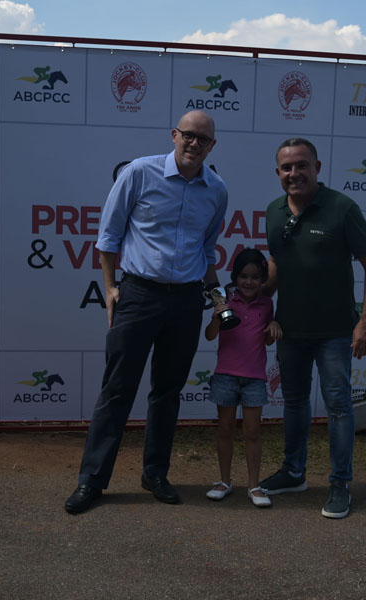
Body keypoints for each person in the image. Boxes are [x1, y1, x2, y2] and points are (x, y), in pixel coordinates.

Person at [65, 110, 228, 515]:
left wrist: (218, 299)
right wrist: (110, 288)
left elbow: (207, 253)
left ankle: (155, 474)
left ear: (213, 146)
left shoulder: (217, 191)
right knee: (117, 389)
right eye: (188, 135)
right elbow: (108, 237)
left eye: (203, 139)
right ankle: (91, 480)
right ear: (174, 135)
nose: (194, 144)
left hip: (187, 301)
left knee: (168, 393)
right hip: (138, 295)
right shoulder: (139, 172)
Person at [260, 138, 366, 519]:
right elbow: (278, 263)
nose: (294, 173)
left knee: (339, 407)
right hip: (290, 332)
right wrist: (254, 300)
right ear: (277, 172)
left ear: (317, 167)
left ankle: (340, 483)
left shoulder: (342, 208)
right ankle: (293, 472)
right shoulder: (274, 211)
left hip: (335, 333)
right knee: (294, 403)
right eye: (286, 167)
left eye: (302, 165)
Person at [203, 248, 282, 508]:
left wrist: (273, 327)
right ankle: (224, 481)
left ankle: (254, 486)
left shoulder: (266, 304)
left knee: (253, 432)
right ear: (235, 277)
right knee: (225, 429)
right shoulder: (224, 299)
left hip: (254, 379)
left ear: (263, 280)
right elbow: (210, 336)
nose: (249, 282)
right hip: (225, 375)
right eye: (244, 276)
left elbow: (267, 339)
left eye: (255, 277)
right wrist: (218, 316)